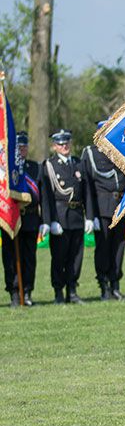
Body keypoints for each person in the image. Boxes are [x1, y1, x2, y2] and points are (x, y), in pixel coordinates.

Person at [83, 121, 125, 300]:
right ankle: (103, 285)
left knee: (119, 247)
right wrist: (90, 214)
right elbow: (87, 186)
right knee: (103, 248)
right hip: (102, 207)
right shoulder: (91, 153)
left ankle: (115, 284)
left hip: (121, 206)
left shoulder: (121, 152)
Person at [40, 129, 88, 304]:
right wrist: (49, 220)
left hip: (76, 215)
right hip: (60, 216)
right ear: (54, 147)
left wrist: (89, 216)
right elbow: (46, 197)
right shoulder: (49, 165)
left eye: (67, 142)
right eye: (60, 144)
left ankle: (72, 290)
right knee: (59, 257)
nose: (64, 146)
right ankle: (58, 292)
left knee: (76, 256)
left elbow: (86, 192)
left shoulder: (78, 163)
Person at [2, 131, 41, 307]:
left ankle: (27, 291)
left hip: (31, 218)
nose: (21, 150)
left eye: (24, 147)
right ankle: (14, 292)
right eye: (18, 147)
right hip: (11, 218)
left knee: (29, 257)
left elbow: (42, 195)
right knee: (10, 256)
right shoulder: (6, 169)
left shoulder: (35, 167)